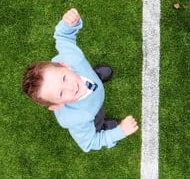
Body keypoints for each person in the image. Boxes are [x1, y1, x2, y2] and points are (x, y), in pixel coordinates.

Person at [22, 8, 138, 152]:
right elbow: (89, 143)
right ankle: (101, 125)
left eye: (64, 78)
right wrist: (119, 132)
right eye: (61, 93)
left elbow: (63, 36)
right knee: (97, 116)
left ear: (64, 65)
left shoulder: (71, 58)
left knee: (87, 75)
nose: (70, 87)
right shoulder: (78, 118)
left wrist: (68, 24)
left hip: (81, 72)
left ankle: (94, 77)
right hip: (91, 111)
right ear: (57, 106)